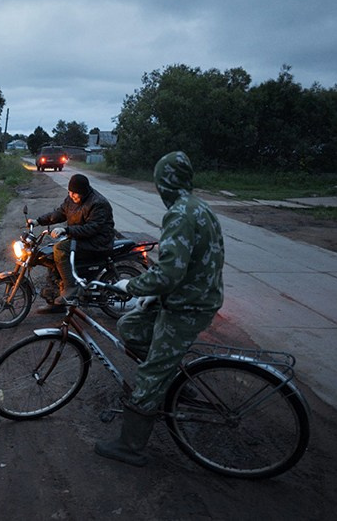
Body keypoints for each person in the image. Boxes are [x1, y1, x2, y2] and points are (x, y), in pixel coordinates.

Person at [95, 151, 225, 467]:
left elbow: (168, 273)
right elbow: (180, 265)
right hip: (187, 296)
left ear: (164, 183)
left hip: (187, 306)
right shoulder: (198, 206)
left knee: (150, 375)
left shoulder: (181, 214)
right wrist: (152, 296)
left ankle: (130, 446)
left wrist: (134, 286)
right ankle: (173, 380)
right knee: (131, 327)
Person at [28, 173, 115, 305]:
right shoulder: (71, 199)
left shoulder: (98, 203)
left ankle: (71, 287)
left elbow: (92, 228)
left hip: (98, 241)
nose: (72, 195)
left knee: (60, 248)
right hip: (81, 238)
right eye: (70, 192)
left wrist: (66, 230)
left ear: (84, 191)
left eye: (75, 193)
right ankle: (56, 300)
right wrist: (38, 221)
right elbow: (59, 213)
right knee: (50, 255)